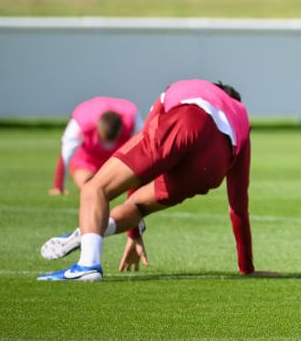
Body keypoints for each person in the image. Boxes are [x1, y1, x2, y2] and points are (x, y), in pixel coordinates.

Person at [37, 79, 262, 281]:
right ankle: (94, 231)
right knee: (138, 207)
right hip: (214, 164)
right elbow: (238, 204)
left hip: (187, 122)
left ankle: (87, 265)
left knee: (94, 188)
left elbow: (147, 143)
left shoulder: (192, 86)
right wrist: (247, 267)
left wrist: (134, 233)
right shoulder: (241, 116)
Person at [50, 96, 143, 196]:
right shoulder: (82, 121)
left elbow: (144, 148)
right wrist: (58, 186)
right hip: (87, 160)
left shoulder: (133, 118)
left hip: (117, 159)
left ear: (121, 129)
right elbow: (66, 153)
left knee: (118, 183)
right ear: (97, 127)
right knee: (88, 185)